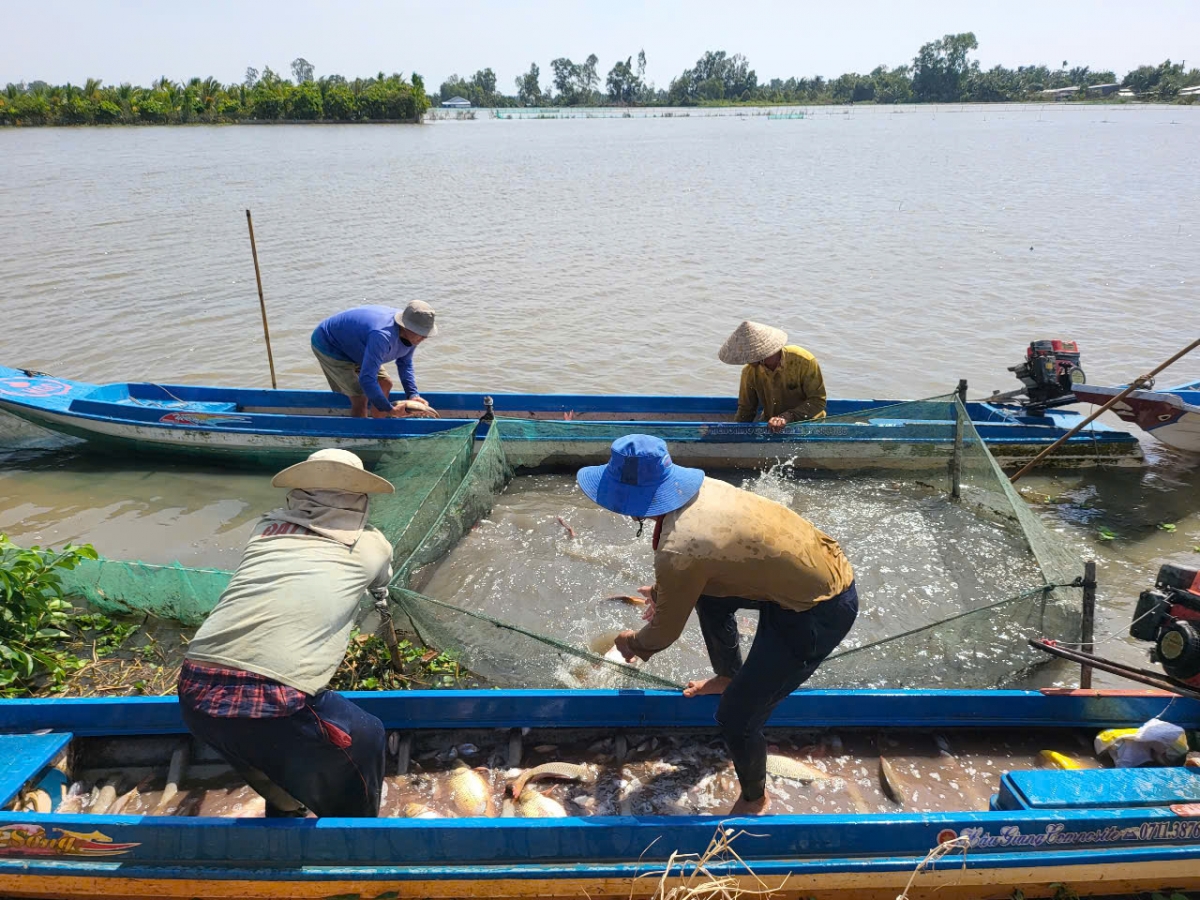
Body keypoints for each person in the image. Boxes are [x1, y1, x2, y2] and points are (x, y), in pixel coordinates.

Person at [577, 435, 858, 816]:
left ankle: (755, 798)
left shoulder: (678, 549)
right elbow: (715, 556)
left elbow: (662, 635)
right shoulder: (702, 491)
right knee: (709, 596)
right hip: (810, 571)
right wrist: (665, 589)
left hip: (820, 607)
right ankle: (728, 674)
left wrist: (631, 642)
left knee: (736, 717)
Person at [177, 448, 395, 818]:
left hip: (194, 690)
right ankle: (356, 828)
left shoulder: (264, 527)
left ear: (298, 494)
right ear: (360, 500)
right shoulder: (373, 546)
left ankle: (285, 807)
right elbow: (380, 584)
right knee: (368, 735)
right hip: (273, 700)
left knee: (257, 752)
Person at [311, 302, 440, 419]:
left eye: (426, 333)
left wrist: (413, 394)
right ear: (406, 327)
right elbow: (367, 379)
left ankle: (378, 423)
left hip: (359, 345)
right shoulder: (382, 336)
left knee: (385, 383)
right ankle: (361, 435)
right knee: (360, 397)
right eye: (420, 332)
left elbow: (404, 364)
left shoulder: (413, 335)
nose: (424, 337)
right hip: (331, 344)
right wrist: (390, 409)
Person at [719, 320, 827, 433]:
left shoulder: (803, 361)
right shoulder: (749, 371)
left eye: (751, 356)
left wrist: (788, 416)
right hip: (772, 426)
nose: (748, 361)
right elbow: (746, 410)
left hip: (809, 425)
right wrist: (735, 433)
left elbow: (818, 401)